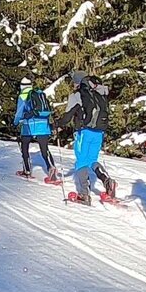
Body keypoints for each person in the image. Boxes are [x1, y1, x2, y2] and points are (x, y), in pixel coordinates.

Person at [55, 71, 116, 205]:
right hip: (99, 132)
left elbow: (68, 115)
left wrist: (57, 125)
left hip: (84, 132)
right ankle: (107, 181)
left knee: (81, 161)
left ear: (78, 82)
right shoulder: (99, 93)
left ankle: (84, 194)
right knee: (92, 160)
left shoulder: (77, 95)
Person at [12, 77, 57, 180]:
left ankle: (27, 170)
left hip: (29, 125)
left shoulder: (23, 96)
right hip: (43, 124)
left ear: (22, 86)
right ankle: (51, 167)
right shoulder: (40, 94)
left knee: (24, 147)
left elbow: (19, 112)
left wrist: (15, 123)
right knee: (44, 149)